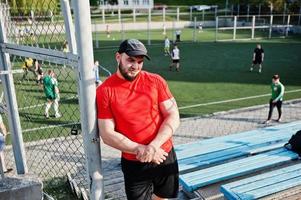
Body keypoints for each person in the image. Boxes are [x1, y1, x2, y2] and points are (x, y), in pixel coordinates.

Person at [96, 39, 180, 200]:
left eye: (140, 62)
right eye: (131, 60)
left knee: (163, 196)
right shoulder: (105, 91)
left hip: (164, 154)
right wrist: (141, 150)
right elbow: (107, 134)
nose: (136, 66)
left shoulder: (155, 81)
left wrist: (153, 147)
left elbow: (173, 115)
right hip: (134, 160)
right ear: (118, 57)